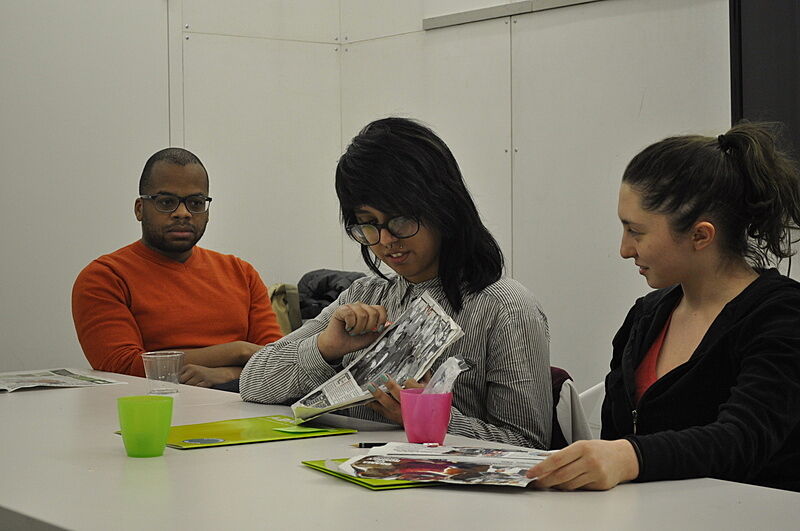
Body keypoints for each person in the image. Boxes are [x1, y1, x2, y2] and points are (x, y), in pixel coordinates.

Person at [240, 117, 552, 448]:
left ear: (443, 207)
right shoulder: (366, 293)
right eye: (368, 224)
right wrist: (325, 348)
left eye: (400, 219)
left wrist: (427, 416)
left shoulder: (504, 308)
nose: (386, 240)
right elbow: (253, 382)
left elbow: (529, 444)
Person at [527, 123, 800, 491]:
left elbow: (742, 440)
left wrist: (629, 457)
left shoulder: (781, 316)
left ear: (700, 235)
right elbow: (615, 436)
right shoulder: (645, 317)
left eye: (636, 232)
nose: (624, 249)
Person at [72, 148, 283, 387]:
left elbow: (277, 361)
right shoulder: (104, 277)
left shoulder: (241, 273)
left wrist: (226, 374)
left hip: (245, 410)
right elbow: (123, 368)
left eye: (195, 203)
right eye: (166, 202)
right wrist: (239, 351)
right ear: (140, 208)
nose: (182, 213)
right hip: (155, 411)